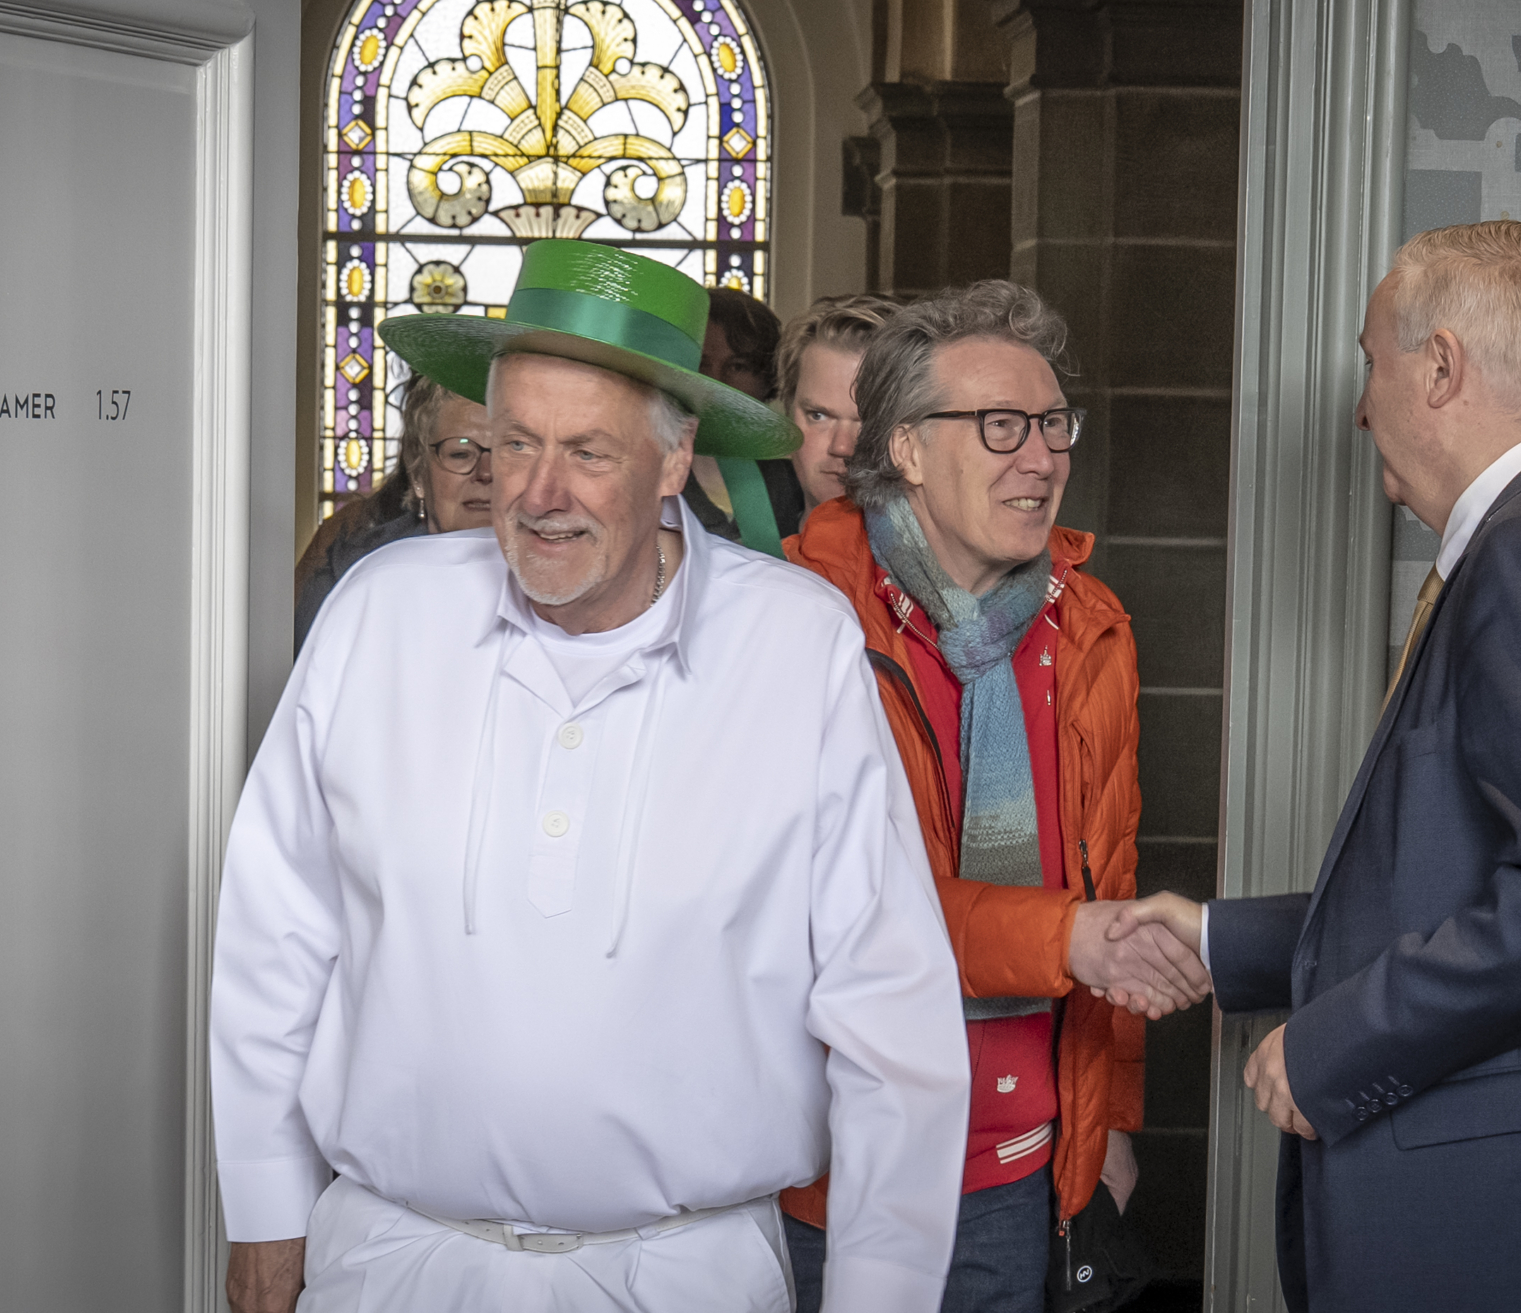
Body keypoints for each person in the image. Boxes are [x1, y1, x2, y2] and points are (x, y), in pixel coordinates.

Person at [213, 239, 971, 1313]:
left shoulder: (794, 646)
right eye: (513, 442)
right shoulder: (381, 614)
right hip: (392, 1263)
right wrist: (263, 1212)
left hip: (685, 1274)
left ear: (674, 459)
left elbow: (886, 1004)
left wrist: (881, 1296)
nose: (539, 492)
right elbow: (273, 934)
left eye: (588, 451)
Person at [1114, 221, 1521, 1312]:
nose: (1361, 406)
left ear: (1441, 365)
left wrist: (1336, 1045)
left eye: (1370, 365)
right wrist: (1222, 939)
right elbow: (1478, 874)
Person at [781, 280, 1211, 1313]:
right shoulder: (797, 623)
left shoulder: (1091, 624)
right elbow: (829, 911)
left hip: (1022, 1173)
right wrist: (1071, 939)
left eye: (1053, 424)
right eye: (1001, 426)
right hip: (832, 1177)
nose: (1043, 456)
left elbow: (1109, 872)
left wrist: (1104, 1124)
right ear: (910, 449)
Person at [290, 372, 493, 649]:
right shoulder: (352, 577)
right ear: (418, 472)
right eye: (460, 454)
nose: (486, 472)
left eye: (507, 452)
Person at [687, 285, 805, 554]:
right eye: (701, 364)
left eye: (738, 366)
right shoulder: (652, 470)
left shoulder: (798, 476)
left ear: (767, 377)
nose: (716, 381)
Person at [775, 293, 901, 515]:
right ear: (788, 413)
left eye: (868, 422)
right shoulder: (730, 546)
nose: (842, 447)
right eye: (818, 416)